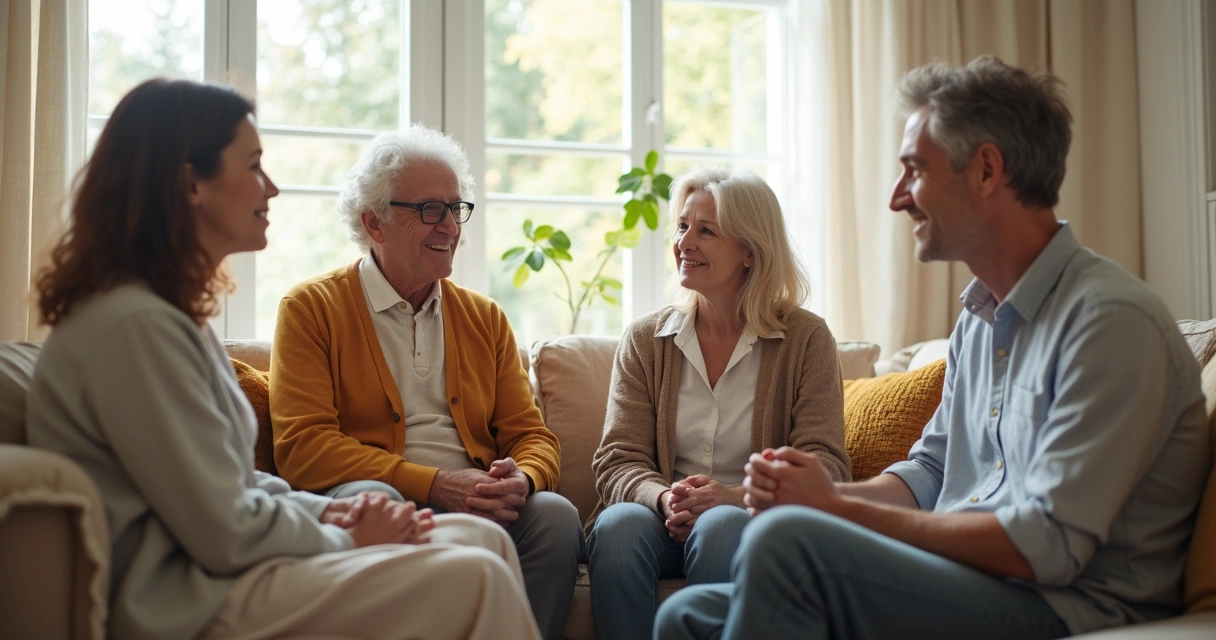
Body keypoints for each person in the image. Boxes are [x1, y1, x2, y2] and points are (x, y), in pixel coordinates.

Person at [654, 56, 1212, 640]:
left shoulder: (1108, 322)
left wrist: (831, 508)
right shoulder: (979, 319)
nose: (898, 198)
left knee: (784, 541)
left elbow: (1050, 547)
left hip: (1067, 602)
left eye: (914, 170)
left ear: (987, 171)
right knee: (685, 617)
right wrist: (814, 495)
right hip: (972, 581)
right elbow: (930, 471)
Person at [23, 79, 541, 640]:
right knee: (477, 571)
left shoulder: (166, 318)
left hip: (225, 566)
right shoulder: (135, 328)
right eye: (253, 166)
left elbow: (231, 484)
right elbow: (224, 530)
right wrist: (348, 535)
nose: (270, 188)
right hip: (186, 597)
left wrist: (328, 514)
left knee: (483, 539)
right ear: (190, 183)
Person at [269, 126, 583, 640]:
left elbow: (533, 437)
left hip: (476, 492)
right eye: (430, 210)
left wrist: (521, 478)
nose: (450, 226)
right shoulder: (311, 309)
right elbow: (304, 449)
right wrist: (434, 484)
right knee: (375, 499)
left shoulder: (484, 317)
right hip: (384, 492)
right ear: (375, 221)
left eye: (455, 209)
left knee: (552, 515)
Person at [587, 166, 851, 640]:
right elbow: (616, 460)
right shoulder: (646, 340)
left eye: (705, 231)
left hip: (745, 520)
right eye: (683, 226)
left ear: (750, 251)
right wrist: (666, 498)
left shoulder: (807, 339)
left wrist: (732, 497)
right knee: (618, 524)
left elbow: (826, 463)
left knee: (723, 525)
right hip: (657, 518)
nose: (684, 242)